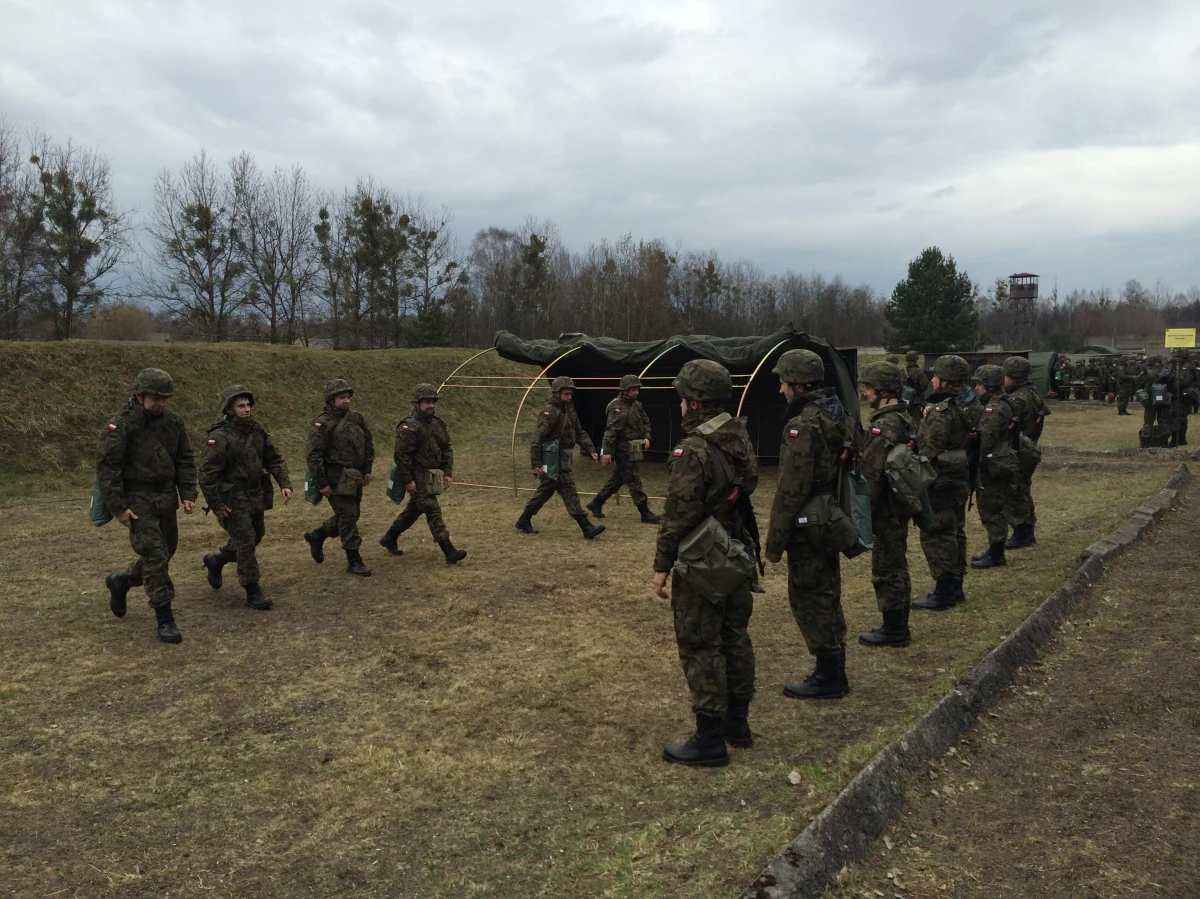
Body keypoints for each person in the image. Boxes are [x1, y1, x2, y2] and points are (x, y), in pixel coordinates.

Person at [653, 360, 759, 767]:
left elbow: (678, 513)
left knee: (701, 643)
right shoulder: (738, 437)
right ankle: (737, 723)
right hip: (735, 551)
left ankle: (710, 738)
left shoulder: (694, 449)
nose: (680, 404)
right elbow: (749, 484)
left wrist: (662, 564)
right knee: (735, 636)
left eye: (683, 398)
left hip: (701, 559)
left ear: (694, 402)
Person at [766, 348, 857, 698]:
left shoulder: (803, 425)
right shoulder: (838, 414)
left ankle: (829, 675)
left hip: (808, 522)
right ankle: (834, 667)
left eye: (784, 382)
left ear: (799, 384)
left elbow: (791, 489)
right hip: (830, 515)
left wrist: (775, 542)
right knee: (827, 589)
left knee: (809, 594)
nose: (781, 389)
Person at [96, 368, 197, 643]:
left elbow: (185, 458)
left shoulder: (173, 423)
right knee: (155, 554)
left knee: (166, 550)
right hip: (136, 498)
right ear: (139, 395)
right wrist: (118, 507)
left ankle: (122, 581)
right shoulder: (121, 425)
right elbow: (107, 467)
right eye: (155, 398)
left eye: (164, 398)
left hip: (166, 497)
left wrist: (188, 492)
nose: (160, 403)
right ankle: (164, 617)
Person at [199, 385, 292, 610]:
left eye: (248, 405)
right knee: (246, 540)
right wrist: (216, 503)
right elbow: (207, 473)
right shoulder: (220, 437)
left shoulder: (257, 430)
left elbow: (273, 458)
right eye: (241, 405)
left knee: (256, 535)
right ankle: (252, 589)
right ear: (229, 409)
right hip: (233, 498)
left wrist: (284, 483)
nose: (247, 409)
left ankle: (217, 560)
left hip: (256, 494)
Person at [912, 354, 978, 611]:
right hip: (960, 476)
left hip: (940, 481)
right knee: (956, 531)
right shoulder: (971, 403)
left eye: (936, 376)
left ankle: (944, 591)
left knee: (937, 533)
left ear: (946, 381)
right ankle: (956, 586)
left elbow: (927, 450)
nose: (932, 380)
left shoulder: (941, 412)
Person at [856, 361, 915, 648]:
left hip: (886, 509)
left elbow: (872, 477)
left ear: (883, 391)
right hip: (897, 504)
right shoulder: (901, 417)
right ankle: (896, 623)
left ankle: (895, 629)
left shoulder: (884, 426)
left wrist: (864, 518)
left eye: (869, 388)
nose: (865, 393)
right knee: (896, 563)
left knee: (887, 567)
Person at [379, 383, 467, 564]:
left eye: (433, 402)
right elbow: (401, 455)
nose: (431, 405)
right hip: (417, 475)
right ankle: (449, 550)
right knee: (432, 508)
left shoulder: (437, 423)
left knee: (415, 509)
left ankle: (390, 537)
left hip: (433, 475)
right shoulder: (409, 426)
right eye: (426, 402)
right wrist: (408, 480)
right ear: (417, 403)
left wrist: (447, 472)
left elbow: (447, 448)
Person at [515, 376, 605, 538]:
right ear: (556, 393)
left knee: (545, 490)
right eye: (566, 394)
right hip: (552, 459)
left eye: (570, 394)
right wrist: (536, 462)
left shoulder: (570, 411)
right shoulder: (549, 412)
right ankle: (586, 527)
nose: (569, 397)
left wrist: (590, 448)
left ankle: (524, 519)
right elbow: (537, 438)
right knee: (569, 490)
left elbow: (579, 432)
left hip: (563, 458)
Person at [304, 378, 374, 577]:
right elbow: (314, 455)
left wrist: (367, 469)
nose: (346, 401)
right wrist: (322, 483)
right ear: (331, 399)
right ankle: (354, 560)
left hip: (354, 477)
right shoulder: (322, 423)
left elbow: (368, 443)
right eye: (341, 397)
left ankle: (318, 534)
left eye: (348, 397)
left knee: (352, 514)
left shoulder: (356, 418)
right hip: (335, 478)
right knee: (348, 516)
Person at [587, 374, 660, 524]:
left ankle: (596, 503)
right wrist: (607, 452)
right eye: (633, 390)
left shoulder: (637, 405)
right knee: (633, 478)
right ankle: (645, 512)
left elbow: (646, 421)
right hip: (622, 449)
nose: (636, 392)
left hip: (634, 446)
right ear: (625, 390)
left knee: (618, 479)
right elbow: (611, 431)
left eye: (637, 389)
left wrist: (647, 436)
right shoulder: (617, 407)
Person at [968, 365, 1019, 570]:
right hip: (1001, 461)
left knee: (991, 508)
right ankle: (994, 550)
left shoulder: (993, 409)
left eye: (979, 384)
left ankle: (996, 554)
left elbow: (985, 441)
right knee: (995, 506)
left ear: (989, 386)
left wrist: (974, 461)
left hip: (992, 465)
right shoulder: (1005, 402)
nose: (976, 388)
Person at [1002, 355, 1046, 549]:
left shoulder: (1018, 398)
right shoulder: (1032, 392)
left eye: (1006, 377)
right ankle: (1027, 530)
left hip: (1018, 450)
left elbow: (1007, 424)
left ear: (1014, 377)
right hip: (1028, 448)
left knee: (1015, 491)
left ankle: (1022, 531)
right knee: (1023, 490)